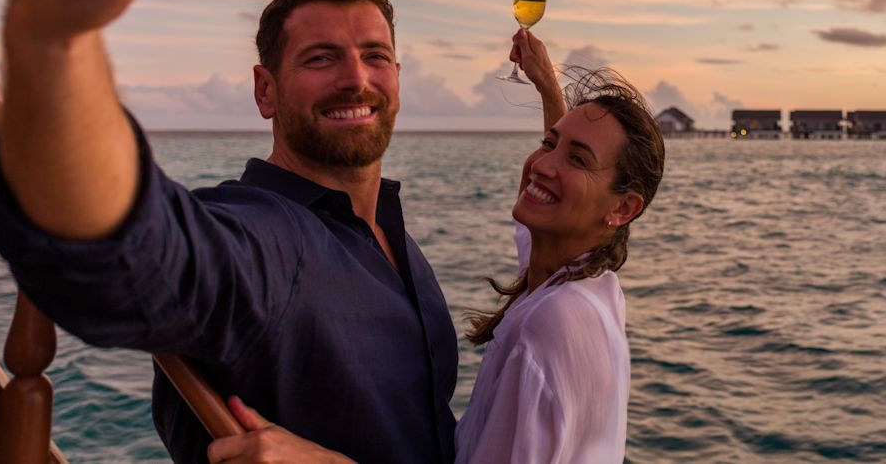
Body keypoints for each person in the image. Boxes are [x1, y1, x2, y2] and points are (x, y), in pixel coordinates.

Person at [0, 0, 458, 464]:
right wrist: (52, 28)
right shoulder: (266, 238)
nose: (356, 78)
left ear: (397, 76)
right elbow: (135, 256)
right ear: (265, 90)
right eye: (320, 59)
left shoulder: (395, 240)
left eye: (376, 55)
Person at [206, 28, 666, 464]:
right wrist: (549, 90)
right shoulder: (584, 282)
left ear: (623, 209)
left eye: (578, 158)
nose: (542, 165)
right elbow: (549, 217)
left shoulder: (552, 325)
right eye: (549, 143)